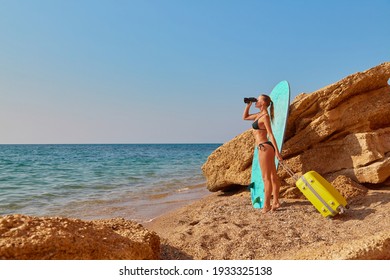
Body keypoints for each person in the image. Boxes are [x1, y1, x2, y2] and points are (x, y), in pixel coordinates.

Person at [242, 94, 283, 213]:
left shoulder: (265, 116)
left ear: (263, 103)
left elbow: (270, 134)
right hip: (265, 147)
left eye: (258, 100)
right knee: (272, 176)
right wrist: (248, 105)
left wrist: (277, 153)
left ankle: (266, 205)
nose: (256, 101)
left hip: (264, 147)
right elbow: (245, 117)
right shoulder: (258, 115)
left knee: (266, 178)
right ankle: (276, 202)